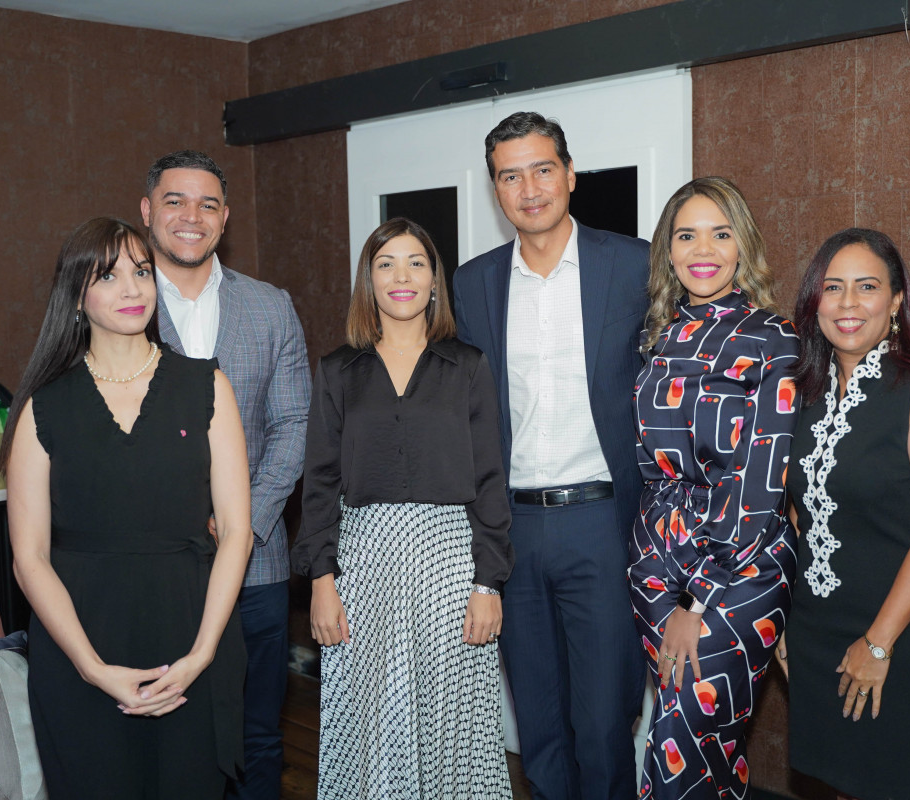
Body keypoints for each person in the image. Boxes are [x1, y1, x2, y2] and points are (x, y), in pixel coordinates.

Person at [1, 217, 252, 798]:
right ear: (77, 295)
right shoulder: (44, 406)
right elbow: (29, 557)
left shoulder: (206, 386)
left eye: (142, 272)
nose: (133, 289)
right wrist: (92, 669)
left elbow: (237, 532)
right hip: (80, 646)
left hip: (192, 636)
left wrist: (201, 656)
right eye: (109, 277)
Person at [453, 111, 648, 800]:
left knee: (602, 722)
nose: (528, 187)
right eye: (510, 175)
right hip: (513, 530)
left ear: (569, 174)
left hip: (603, 524)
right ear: (495, 188)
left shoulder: (632, 264)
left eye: (542, 169)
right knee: (538, 726)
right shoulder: (470, 284)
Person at [292, 217, 514, 797]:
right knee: (369, 716)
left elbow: (491, 480)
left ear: (434, 282)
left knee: (452, 716)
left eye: (416, 262)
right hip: (362, 564)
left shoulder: (467, 366)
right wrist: (321, 577)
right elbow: (319, 481)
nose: (402, 276)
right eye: (386, 263)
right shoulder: (338, 370)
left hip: (450, 564)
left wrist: (488, 583)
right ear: (369, 280)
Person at [141, 150, 311, 799]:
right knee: (166, 733)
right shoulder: (115, 305)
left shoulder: (270, 308)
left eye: (208, 204)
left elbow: (294, 423)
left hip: (258, 569)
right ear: (148, 210)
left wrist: (245, 519)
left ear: (226, 217)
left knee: (257, 735)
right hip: (155, 567)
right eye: (176, 201)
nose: (192, 216)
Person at [779, 228, 910, 800]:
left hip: (901, 637)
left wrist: (879, 643)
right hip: (816, 636)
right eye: (832, 288)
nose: (848, 303)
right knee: (833, 787)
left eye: (867, 287)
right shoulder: (803, 395)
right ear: (815, 303)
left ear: (896, 302)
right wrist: (783, 623)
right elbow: (795, 517)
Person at [629, 177, 798, 799]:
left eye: (720, 233)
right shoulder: (657, 337)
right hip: (656, 565)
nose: (704, 248)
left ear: (742, 246)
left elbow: (761, 478)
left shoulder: (772, 338)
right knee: (710, 755)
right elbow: (651, 468)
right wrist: (653, 570)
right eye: (687, 234)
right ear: (667, 252)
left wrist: (699, 602)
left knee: (679, 753)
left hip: (738, 569)